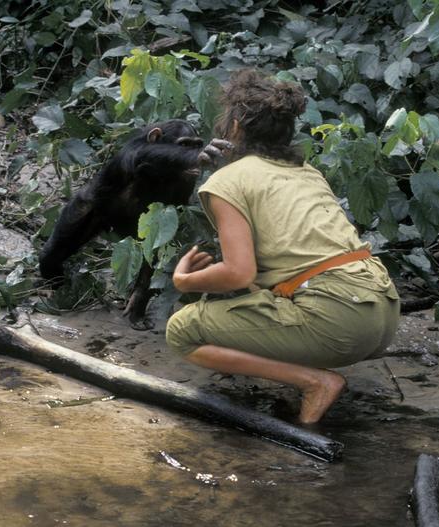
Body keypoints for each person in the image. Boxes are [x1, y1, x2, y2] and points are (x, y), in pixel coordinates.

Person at [165, 69, 400, 424]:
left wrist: (184, 281)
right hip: (383, 312)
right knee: (272, 293)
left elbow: (238, 273)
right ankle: (304, 368)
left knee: (182, 331)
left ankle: (315, 382)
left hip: (339, 321)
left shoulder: (227, 180)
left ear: (235, 129)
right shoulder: (306, 171)